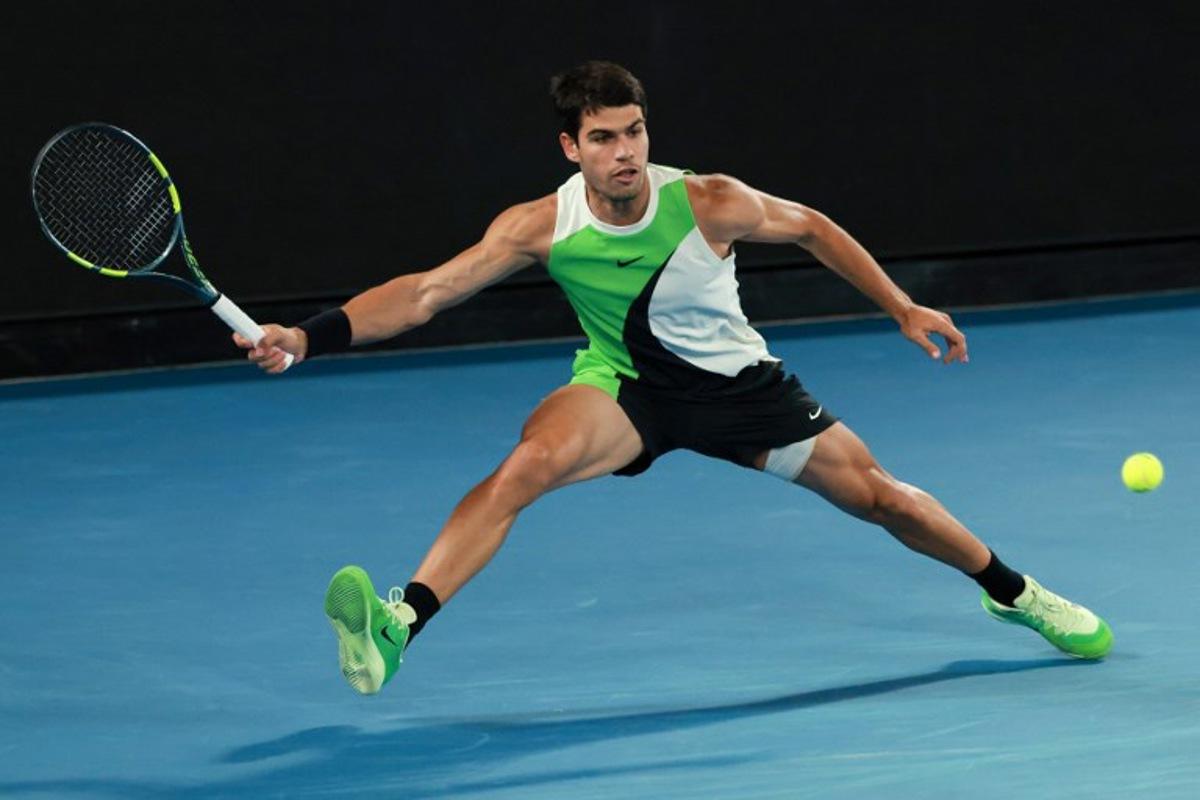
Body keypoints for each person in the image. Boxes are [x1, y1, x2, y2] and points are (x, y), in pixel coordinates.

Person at [237, 61, 1112, 695]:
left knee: (887, 500)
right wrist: (309, 337)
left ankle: (1015, 593)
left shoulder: (708, 200)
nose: (625, 153)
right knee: (525, 467)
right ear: (571, 146)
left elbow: (811, 227)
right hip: (626, 391)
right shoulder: (539, 225)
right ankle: (399, 625)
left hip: (741, 392)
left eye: (635, 132)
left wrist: (901, 307)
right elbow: (425, 294)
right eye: (605, 139)